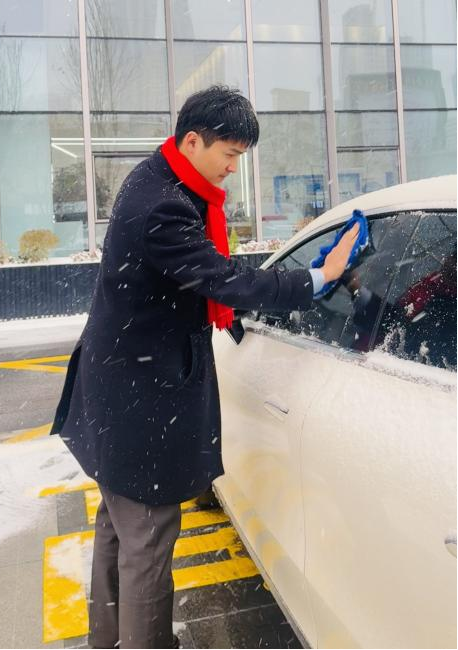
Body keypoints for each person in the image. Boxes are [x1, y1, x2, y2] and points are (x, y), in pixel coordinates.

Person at [51, 86, 359, 650]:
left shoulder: (159, 179)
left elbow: (205, 274)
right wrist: (318, 278)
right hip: (140, 396)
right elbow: (223, 279)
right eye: (230, 154)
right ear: (193, 141)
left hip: (120, 386)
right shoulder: (165, 206)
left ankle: (107, 640)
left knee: (119, 529)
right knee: (147, 539)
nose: (234, 168)